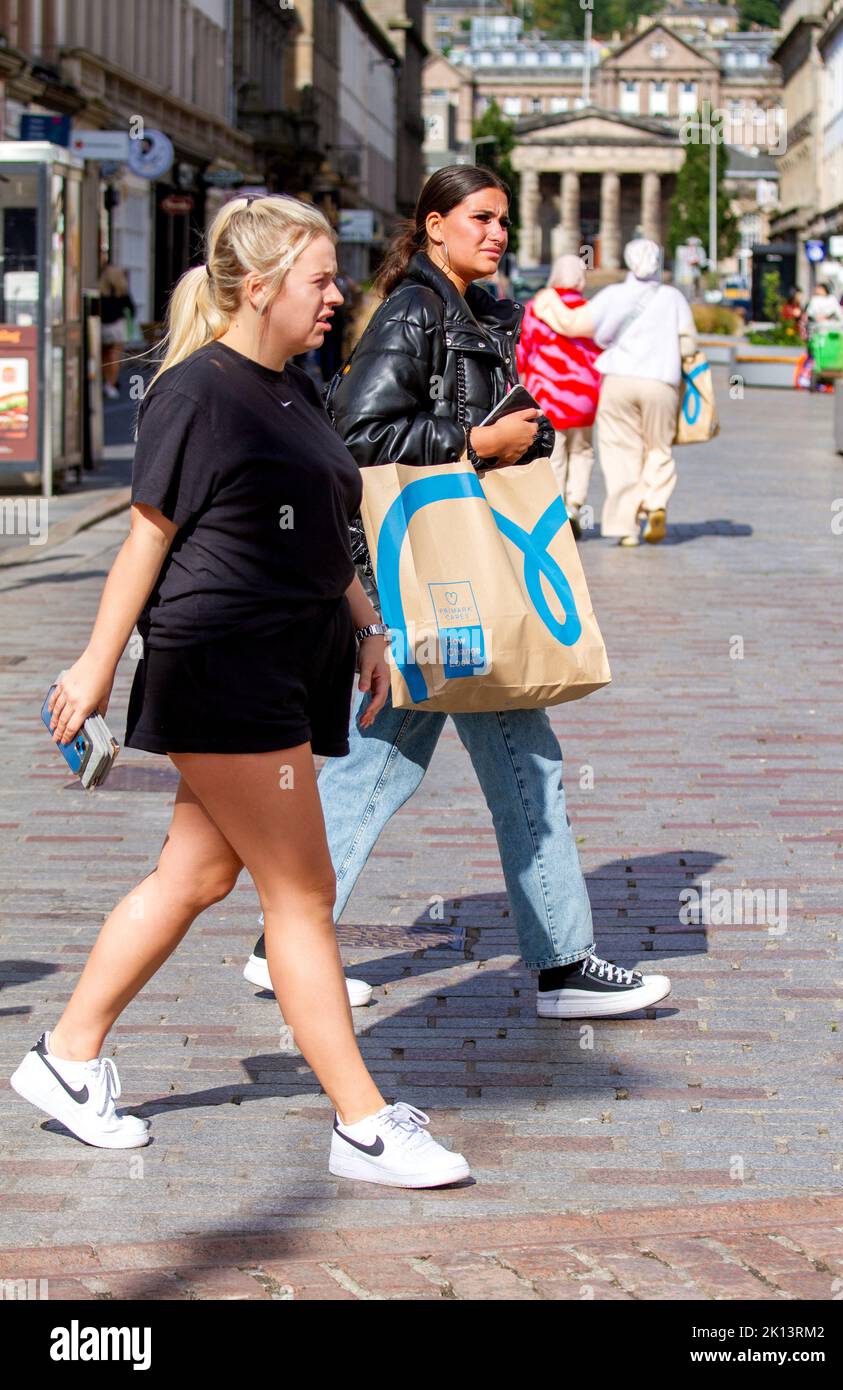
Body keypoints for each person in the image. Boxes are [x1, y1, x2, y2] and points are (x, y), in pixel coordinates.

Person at [10, 194, 471, 1190]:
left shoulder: (290, 384)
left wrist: (364, 626)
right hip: (221, 664)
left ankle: (67, 1056)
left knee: (196, 874)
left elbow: (318, 521)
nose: (336, 295)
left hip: (285, 661)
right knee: (300, 896)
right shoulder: (195, 392)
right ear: (255, 288)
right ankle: (361, 1121)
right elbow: (148, 534)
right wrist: (95, 667)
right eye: (318, 279)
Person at [244, 165, 672, 1021]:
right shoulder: (415, 309)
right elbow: (356, 436)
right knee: (507, 759)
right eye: (478, 218)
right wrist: (477, 440)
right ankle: (560, 967)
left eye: (503, 220)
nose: (496, 233)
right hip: (433, 585)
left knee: (384, 766)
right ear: (433, 225)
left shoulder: (470, 308)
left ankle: (279, 949)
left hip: (446, 584)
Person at [532, 237, 696, 548]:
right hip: (662, 381)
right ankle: (656, 504)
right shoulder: (673, 298)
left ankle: (626, 528)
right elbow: (688, 343)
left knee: (621, 451)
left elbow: (573, 324)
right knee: (658, 447)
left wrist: (548, 301)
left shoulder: (614, 294)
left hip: (619, 379)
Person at [518, 253, 602, 538]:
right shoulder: (590, 310)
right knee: (582, 451)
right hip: (585, 395)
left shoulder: (535, 308)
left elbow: (522, 351)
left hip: (548, 393)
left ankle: (554, 510)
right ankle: (574, 506)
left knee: (553, 452)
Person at [99, 264, 135, 400]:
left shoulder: (102, 293)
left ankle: (105, 381)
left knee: (104, 356)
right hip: (118, 326)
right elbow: (132, 310)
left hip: (103, 326)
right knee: (115, 357)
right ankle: (111, 384)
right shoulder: (122, 293)